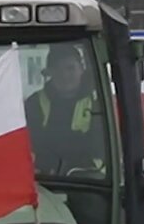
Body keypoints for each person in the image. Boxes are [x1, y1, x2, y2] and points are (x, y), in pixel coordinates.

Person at [23, 44, 107, 175]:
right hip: (45, 180)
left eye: (70, 68)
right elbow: (28, 146)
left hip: (89, 180)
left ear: (81, 69)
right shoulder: (34, 104)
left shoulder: (99, 102)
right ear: (49, 72)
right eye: (57, 69)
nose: (65, 75)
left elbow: (101, 149)